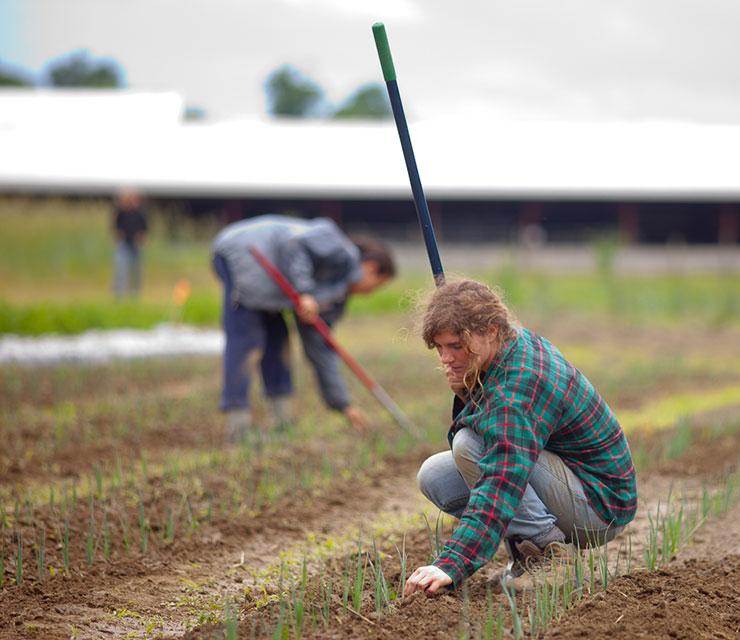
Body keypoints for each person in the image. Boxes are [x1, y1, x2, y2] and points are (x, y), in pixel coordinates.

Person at [405, 280, 637, 595]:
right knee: (435, 475)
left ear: (490, 330)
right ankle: (527, 555)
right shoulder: (511, 346)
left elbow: (502, 479)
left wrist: (451, 563)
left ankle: (551, 556)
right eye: (440, 348)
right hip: (569, 483)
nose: (445, 358)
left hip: (599, 506)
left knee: (470, 445)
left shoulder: (520, 385)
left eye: (456, 346)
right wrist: (467, 388)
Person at [211, 214, 395, 440]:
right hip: (244, 251)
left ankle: (282, 421)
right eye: (376, 286)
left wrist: (343, 404)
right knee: (247, 341)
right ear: (370, 267)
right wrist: (305, 291)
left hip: (273, 282)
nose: (369, 294)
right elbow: (293, 244)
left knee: (278, 342)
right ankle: (238, 427)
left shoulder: (335, 297)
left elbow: (321, 348)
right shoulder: (340, 249)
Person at [112, 189, 148, 297]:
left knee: (136, 272)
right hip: (123, 246)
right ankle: (119, 295)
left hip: (136, 246)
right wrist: (118, 238)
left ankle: (134, 295)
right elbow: (116, 229)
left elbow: (144, 230)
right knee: (121, 271)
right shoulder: (121, 213)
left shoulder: (140, 213)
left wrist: (141, 240)